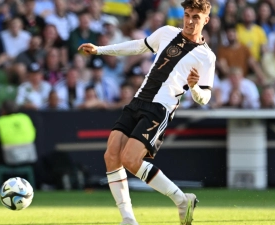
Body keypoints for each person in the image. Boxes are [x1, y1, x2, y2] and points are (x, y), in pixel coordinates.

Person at [78, 0, 215, 224]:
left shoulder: (206, 57)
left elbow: (205, 98)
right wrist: (100, 50)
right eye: (187, 15)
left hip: (160, 109)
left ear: (206, 20)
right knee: (111, 154)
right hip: (138, 100)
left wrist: (194, 87)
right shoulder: (167, 32)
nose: (190, 21)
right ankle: (128, 218)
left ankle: (182, 200)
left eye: (196, 17)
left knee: (131, 160)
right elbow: (138, 46)